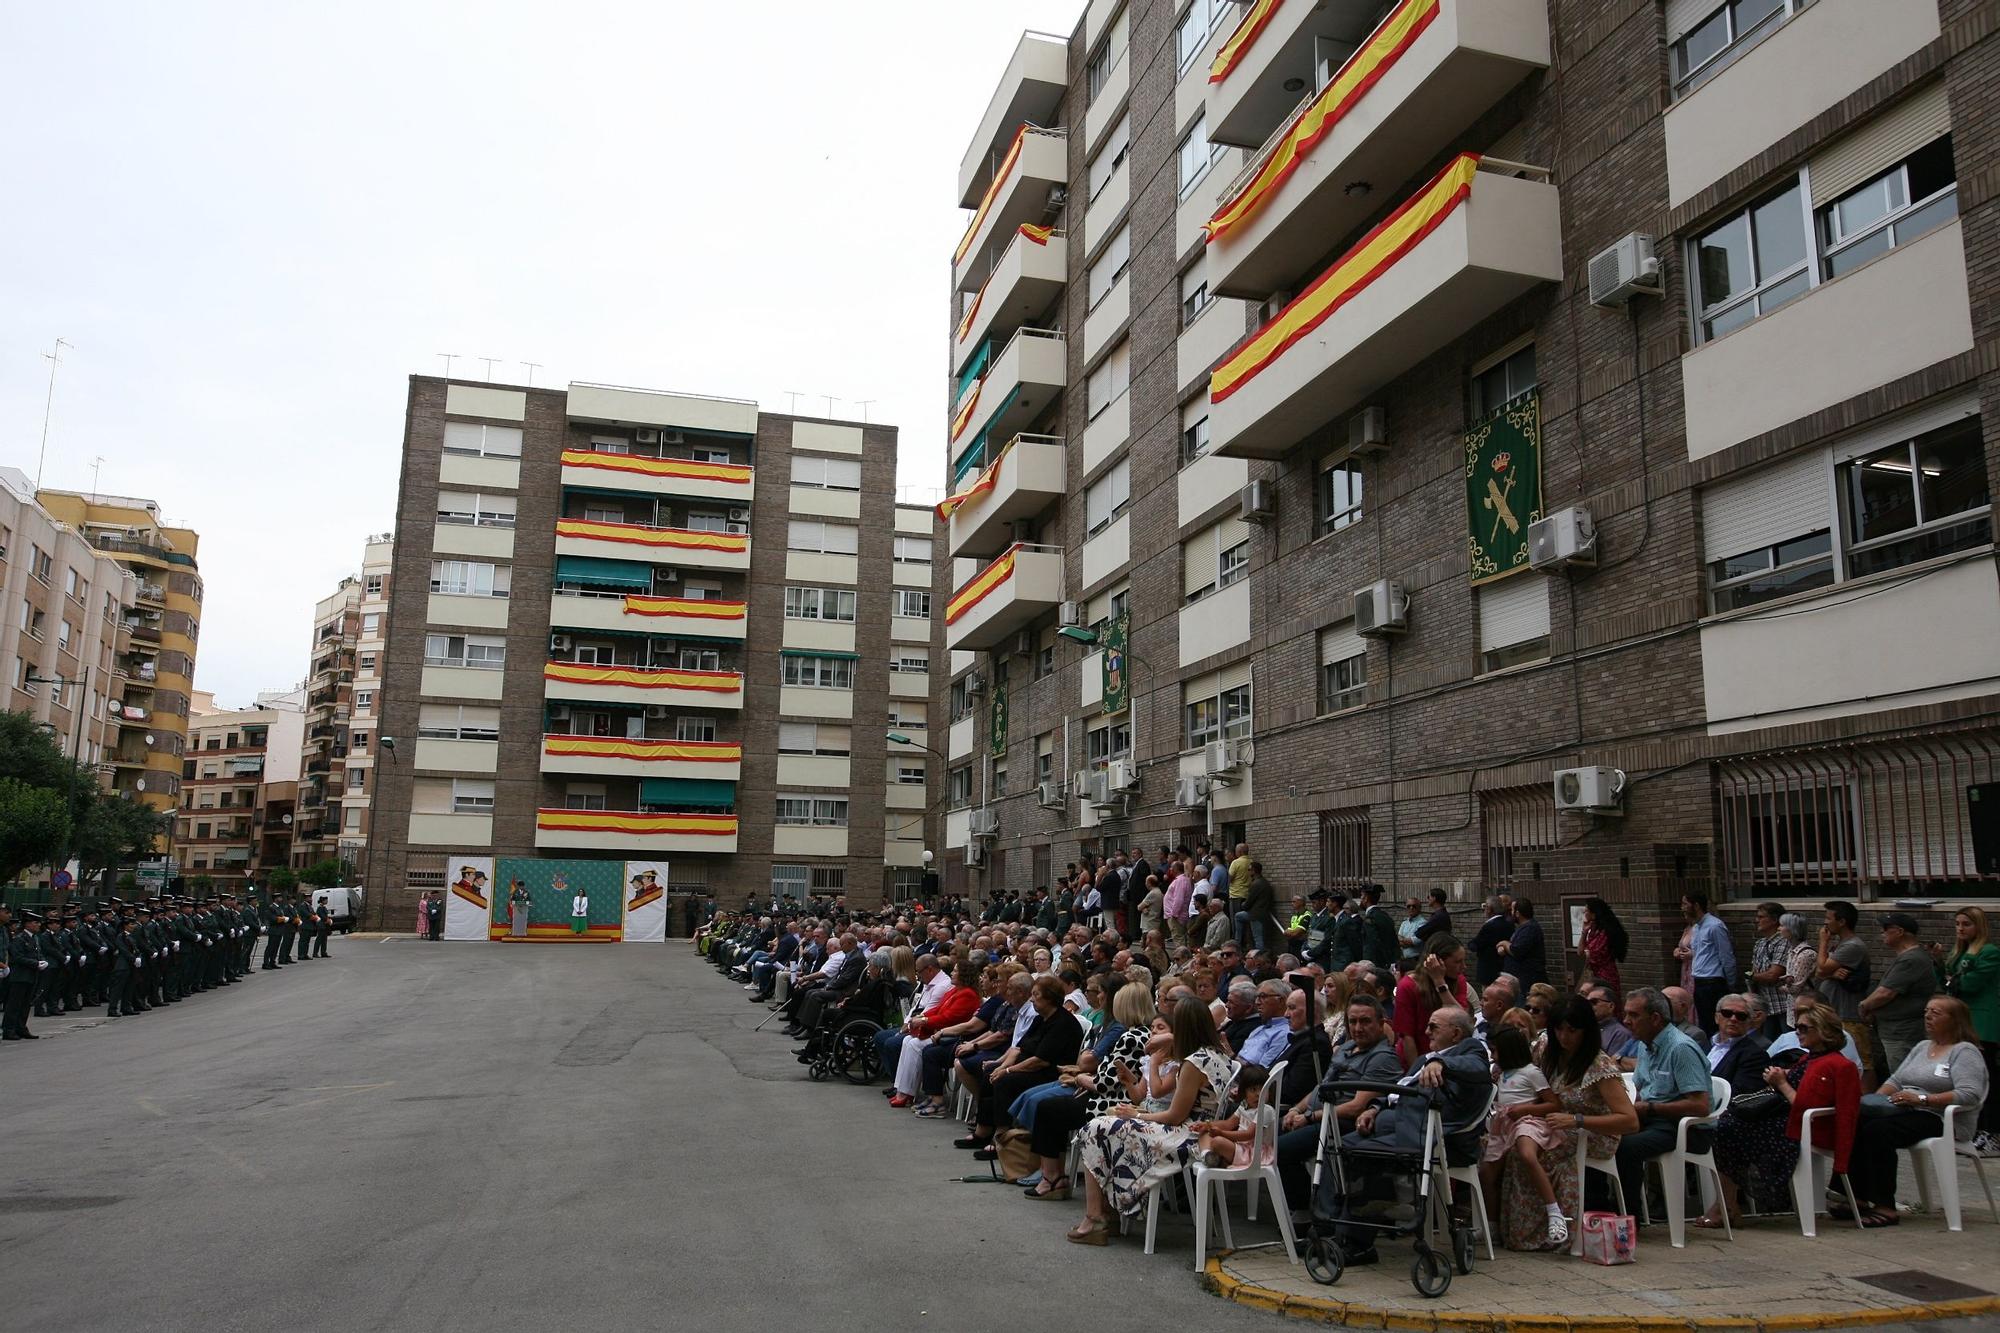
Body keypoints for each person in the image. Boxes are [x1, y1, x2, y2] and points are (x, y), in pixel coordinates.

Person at [1067, 998, 1237, 1244]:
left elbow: (1175, 1116)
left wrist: (1136, 1115)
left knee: (1095, 1129)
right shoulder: (1218, 1054)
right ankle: (1108, 1212)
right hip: (1197, 1128)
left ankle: (1096, 1218)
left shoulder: (1193, 1063)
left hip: (1186, 1134)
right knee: (1105, 1126)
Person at [1699, 1000, 1860, 1229]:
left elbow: (1805, 1106)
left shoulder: (1835, 1064)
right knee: (1725, 1126)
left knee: (1728, 1129)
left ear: (1823, 1031)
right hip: (1787, 1120)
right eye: (1798, 1027)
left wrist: (1782, 1082)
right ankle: (1727, 1204)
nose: (1798, 1033)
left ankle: (1726, 1206)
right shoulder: (1810, 1058)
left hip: (1804, 1126)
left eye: (1804, 1028)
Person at [1497, 995, 1638, 1251]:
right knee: (1512, 1147)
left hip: (1592, 1131)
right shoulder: (1545, 1048)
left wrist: (1577, 1120)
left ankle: (1554, 1224)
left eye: (1572, 1031)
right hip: (1549, 1122)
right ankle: (1513, 1226)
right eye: (1559, 1030)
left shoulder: (1599, 1065)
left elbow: (1629, 1121)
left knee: (1541, 1153)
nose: (1564, 1037)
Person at [1846, 995, 1989, 1227]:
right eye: (1926, 1011)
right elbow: (1896, 1079)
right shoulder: (1923, 1046)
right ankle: (1856, 1194)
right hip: (1906, 1109)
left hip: (1941, 1117)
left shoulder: (1964, 1052)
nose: (1928, 1016)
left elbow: (1969, 1094)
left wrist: (1923, 1099)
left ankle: (1885, 1206)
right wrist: (1876, 1101)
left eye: (1936, 1012)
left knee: (1879, 1131)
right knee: (1857, 1118)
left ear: (1955, 1020)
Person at [1615, 986, 1713, 1216]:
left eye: (1633, 1015)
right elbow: (1638, 1089)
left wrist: (1649, 1108)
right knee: (1601, 1136)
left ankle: (1630, 1218)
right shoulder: (1644, 1043)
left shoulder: (1681, 1048)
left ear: (1656, 1018)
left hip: (1686, 1128)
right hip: (1654, 1120)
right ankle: (1601, 1207)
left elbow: (1700, 1106)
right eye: (1626, 1014)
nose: (1626, 1021)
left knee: (1626, 1147)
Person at [1480, 1024, 1564, 1246]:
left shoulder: (1531, 1072)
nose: (1493, 1056)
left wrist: (1525, 1110)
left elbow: (1553, 1103)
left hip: (1527, 1121)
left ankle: (1554, 1211)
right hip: (1504, 1124)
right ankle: (1492, 1225)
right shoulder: (1502, 1073)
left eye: (1496, 1051)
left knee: (1527, 1154)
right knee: (1487, 1173)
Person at [1933, 906, 1999, 1153]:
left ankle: (1992, 1132)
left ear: (1979, 927)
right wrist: (1939, 962)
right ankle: (1971, 1130)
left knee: (1986, 1080)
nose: (1960, 929)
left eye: (1966, 924)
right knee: (1966, 1080)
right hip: (1962, 1025)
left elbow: (1969, 984)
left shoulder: (1988, 952)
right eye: (1958, 924)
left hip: (1983, 1025)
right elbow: (1947, 984)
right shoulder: (1959, 953)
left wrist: (1965, 959)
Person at [1860, 912, 1934, 1074]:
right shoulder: (1908, 957)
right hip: (1896, 1030)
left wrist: (1864, 1005)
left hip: (1901, 1033)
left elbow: (1885, 993)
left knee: (1903, 1078)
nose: (1882, 933)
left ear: (1900, 932)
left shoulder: (1910, 959)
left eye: (1886, 929)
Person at [1390, 934, 1472, 1068]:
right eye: (1457, 962)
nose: (1464, 966)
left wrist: (1439, 982)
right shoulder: (1408, 986)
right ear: (1438, 962)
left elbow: (1463, 1021)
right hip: (1417, 1057)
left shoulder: (1459, 981)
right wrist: (1415, 1072)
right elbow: (1407, 1036)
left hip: (1450, 1058)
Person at [1816, 900, 1874, 1079]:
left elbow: (1823, 967)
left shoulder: (1852, 946)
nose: (1825, 923)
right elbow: (1819, 971)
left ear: (1842, 921)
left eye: (1828, 918)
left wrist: (1823, 942)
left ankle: (1868, 1100)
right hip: (1835, 1011)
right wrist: (1831, 973)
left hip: (1849, 1013)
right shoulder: (1840, 945)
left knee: (1862, 1061)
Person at [1195, 1062, 1272, 1169]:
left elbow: (1248, 1134)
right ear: (1244, 1092)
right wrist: (1207, 1125)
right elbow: (1228, 1124)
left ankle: (1217, 1159)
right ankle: (1208, 1156)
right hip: (1241, 1148)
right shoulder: (1245, 1105)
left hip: (1254, 1153)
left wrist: (1222, 1133)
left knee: (1218, 1141)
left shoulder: (1266, 1110)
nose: (1259, 1094)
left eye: (1263, 1089)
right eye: (1253, 1090)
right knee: (1204, 1132)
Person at [1682, 891, 1735, 1034]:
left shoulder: (1715, 926)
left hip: (1713, 981)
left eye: (1686, 904)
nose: (1683, 908)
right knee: (1704, 1023)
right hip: (1698, 980)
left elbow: (1726, 955)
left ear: (1697, 906)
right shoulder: (1697, 927)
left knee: (1714, 1024)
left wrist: (1730, 982)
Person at [1708, 993, 1772, 1095]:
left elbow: (1740, 1096)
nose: (1733, 1019)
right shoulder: (1707, 1045)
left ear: (1749, 1023)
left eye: (1741, 1016)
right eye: (1727, 1013)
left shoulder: (1755, 1056)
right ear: (1716, 1018)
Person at [1748, 902, 1794, 1039]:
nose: (1757, 920)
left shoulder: (1783, 942)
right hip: (1766, 1007)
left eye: (1761, 917)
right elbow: (1753, 972)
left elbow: (1773, 975)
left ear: (1774, 920)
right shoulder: (1760, 944)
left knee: (1789, 1045)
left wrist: (1752, 975)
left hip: (1783, 1006)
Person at [1577, 898, 1628, 999]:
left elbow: (1591, 955)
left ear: (1594, 913)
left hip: (1605, 976)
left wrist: (1587, 952)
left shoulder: (1605, 933)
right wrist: (1584, 932)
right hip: (1595, 975)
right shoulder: (1593, 930)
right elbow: (1580, 951)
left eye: (1586, 910)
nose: (1584, 912)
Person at [1497, 898, 1546, 992]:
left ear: (1518, 913)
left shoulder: (1530, 929)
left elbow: (1517, 950)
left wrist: (1504, 943)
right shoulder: (1523, 928)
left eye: (1512, 910)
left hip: (1526, 981)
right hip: (1519, 980)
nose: (1510, 913)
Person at [1586, 983, 1639, 1063]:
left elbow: (1611, 1065)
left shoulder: (1620, 1033)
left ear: (1611, 1006)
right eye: (1587, 1003)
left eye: (1594, 1002)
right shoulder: (1585, 1029)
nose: (1589, 1006)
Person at [1468, 895, 1512, 989]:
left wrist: (1471, 944)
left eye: (1485, 907)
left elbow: (1477, 944)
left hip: (1488, 970)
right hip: (1503, 968)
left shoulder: (1489, 926)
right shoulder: (1508, 924)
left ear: (1489, 909)